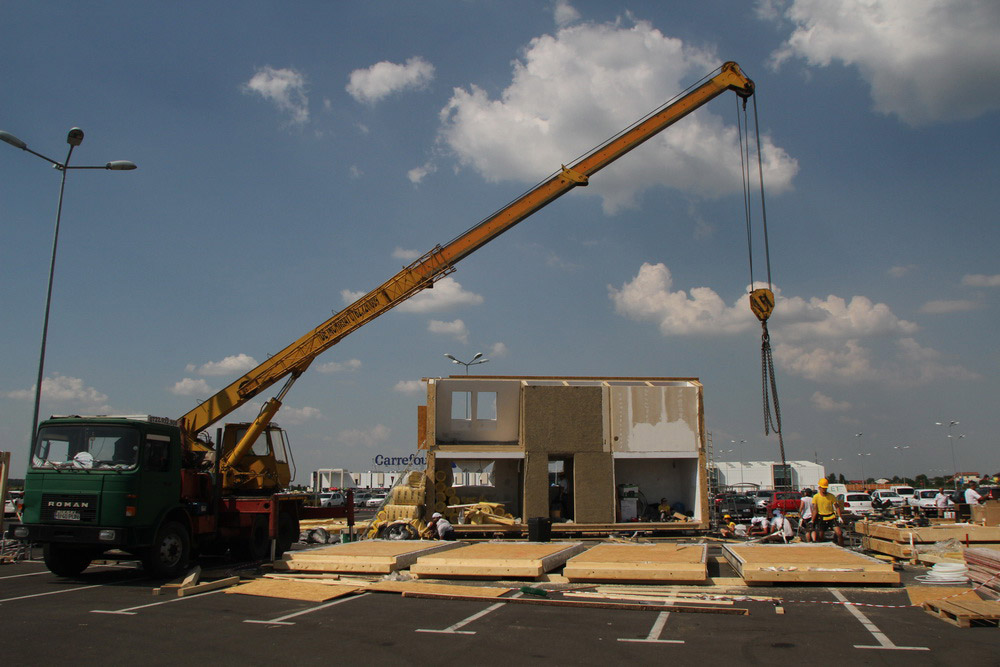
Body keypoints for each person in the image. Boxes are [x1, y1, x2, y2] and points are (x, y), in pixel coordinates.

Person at [812, 478, 844, 546]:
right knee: (820, 536)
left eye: (825, 488)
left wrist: (840, 517)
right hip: (822, 517)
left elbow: (837, 506)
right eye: (823, 488)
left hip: (831, 517)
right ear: (819, 487)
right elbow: (815, 509)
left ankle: (841, 546)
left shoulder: (831, 496)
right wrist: (812, 520)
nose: (824, 490)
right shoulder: (816, 497)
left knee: (839, 533)